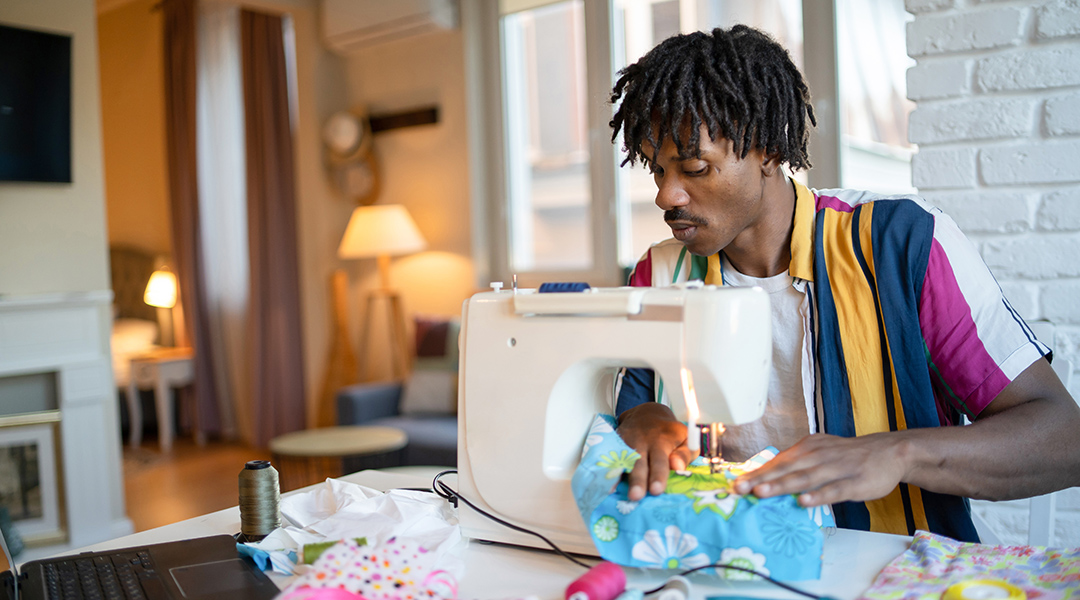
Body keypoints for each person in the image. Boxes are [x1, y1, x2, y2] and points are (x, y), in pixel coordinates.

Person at [609, 24, 1080, 543]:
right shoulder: (661, 273)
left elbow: (1064, 436)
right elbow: (635, 408)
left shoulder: (900, 243)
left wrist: (897, 453)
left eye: (695, 167)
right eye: (656, 170)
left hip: (893, 563)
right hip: (729, 559)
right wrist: (649, 425)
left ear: (766, 149)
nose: (666, 196)